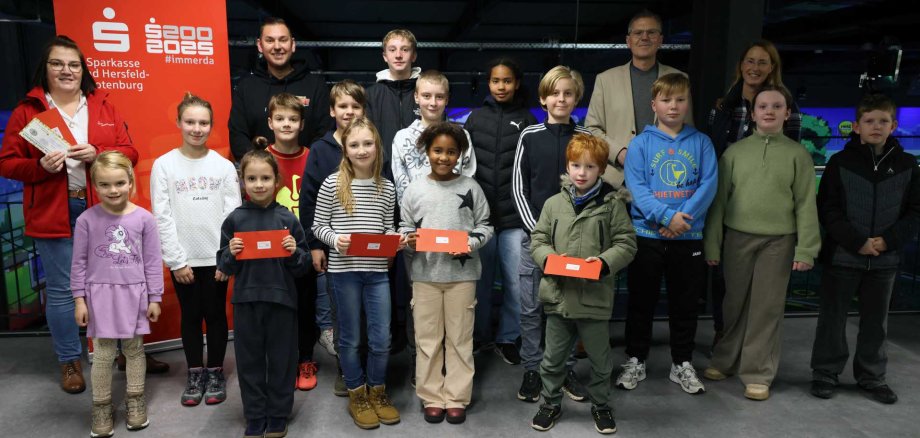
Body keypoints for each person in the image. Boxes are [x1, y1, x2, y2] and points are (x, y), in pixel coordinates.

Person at [0, 35, 139, 394]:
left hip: (103, 207)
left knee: (114, 283)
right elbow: (8, 163)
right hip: (54, 208)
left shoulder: (102, 105)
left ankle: (125, 350)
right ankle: (69, 361)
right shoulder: (27, 112)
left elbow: (130, 151)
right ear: (44, 70)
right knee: (63, 291)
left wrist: (98, 151)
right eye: (57, 64)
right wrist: (40, 167)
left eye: (74, 64)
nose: (66, 70)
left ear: (83, 69)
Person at [702, 86, 821, 401]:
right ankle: (725, 359)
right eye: (763, 106)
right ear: (752, 114)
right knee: (733, 303)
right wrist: (712, 245)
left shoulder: (798, 156)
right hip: (737, 238)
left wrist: (806, 249)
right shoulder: (734, 153)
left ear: (786, 113)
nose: (769, 111)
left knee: (766, 308)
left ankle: (757, 373)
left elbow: (806, 206)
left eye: (777, 106)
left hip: (779, 242)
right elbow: (719, 205)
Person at [809, 93, 919, 405]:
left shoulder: (907, 165)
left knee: (875, 322)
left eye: (883, 121)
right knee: (832, 318)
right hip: (843, 256)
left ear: (893, 125)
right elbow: (828, 209)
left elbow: (915, 212)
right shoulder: (839, 163)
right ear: (857, 126)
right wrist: (857, 241)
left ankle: (872, 377)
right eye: (869, 121)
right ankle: (825, 372)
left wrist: (888, 241)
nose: (876, 126)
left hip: (885, 260)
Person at [528, 134, 637, 434]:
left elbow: (626, 244)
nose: (581, 172)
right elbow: (538, 239)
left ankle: (601, 405)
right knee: (552, 359)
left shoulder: (612, 204)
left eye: (590, 167)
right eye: (576, 165)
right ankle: (550, 402)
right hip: (559, 296)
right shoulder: (553, 204)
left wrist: (603, 264)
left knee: (601, 361)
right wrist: (549, 259)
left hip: (594, 298)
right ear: (567, 166)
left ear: (601, 169)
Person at [617, 73, 717, 394]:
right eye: (666, 100)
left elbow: (708, 185)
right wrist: (665, 217)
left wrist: (680, 220)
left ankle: (682, 363)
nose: (673, 106)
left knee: (685, 303)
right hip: (647, 234)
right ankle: (635, 359)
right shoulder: (641, 144)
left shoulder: (701, 142)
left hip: (687, 236)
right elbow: (637, 187)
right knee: (641, 301)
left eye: (680, 100)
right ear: (654, 105)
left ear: (688, 103)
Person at [705, 40, 804, 348]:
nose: (755, 67)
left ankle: (754, 344)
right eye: (750, 61)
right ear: (741, 66)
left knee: (763, 289)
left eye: (763, 62)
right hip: (727, 202)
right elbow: (712, 152)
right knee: (724, 280)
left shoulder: (787, 108)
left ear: (772, 68)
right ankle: (725, 335)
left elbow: (790, 158)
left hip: (767, 208)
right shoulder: (723, 106)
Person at [151, 93, 241, 406]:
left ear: (211, 125)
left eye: (203, 122)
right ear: (179, 123)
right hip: (184, 258)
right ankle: (194, 372)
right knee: (191, 316)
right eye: (190, 122)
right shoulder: (164, 166)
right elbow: (161, 216)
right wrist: (176, 261)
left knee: (216, 314)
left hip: (215, 258)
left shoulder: (224, 167)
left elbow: (234, 217)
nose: (197, 128)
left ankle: (215, 371)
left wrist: (226, 258)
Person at [400, 122, 493, 425]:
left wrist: (469, 243)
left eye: (451, 152)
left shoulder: (471, 187)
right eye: (438, 151)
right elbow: (403, 229)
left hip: (462, 278)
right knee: (427, 339)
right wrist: (408, 241)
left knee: (459, 338)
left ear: (460, 154)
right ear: (427, 152)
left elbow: (486, 226)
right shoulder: (414, 189)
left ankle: (456, 397)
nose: (444, 157)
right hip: (425, 276)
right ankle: (431, 396)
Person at [312, 117, 400, 429]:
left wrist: (395, 240)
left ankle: (378, 391)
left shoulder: (386, 187)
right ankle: (357, 393)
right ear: (345, 150)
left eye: (367, 143)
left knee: (381, 337)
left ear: (377, 147)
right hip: (343, 273)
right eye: (354, 145)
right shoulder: (332, 183)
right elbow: (318, 225)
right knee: (349, 339)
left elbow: (388, 226)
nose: (362, 150)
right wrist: (335, 239)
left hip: (377, 274)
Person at [512, 65, 591, 403]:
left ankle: (565, 368)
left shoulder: (586, 138)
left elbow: (593, 187)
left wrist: (574, 234)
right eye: (555, 93)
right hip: (535, 240)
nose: (561, 98)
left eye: (568, 93)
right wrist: (539, 233)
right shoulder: (529, 136)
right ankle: (532, 368)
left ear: (576, 98)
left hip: (574, 242)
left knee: (567, 307)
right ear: (543, 98)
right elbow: (518, 187)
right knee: (531, 308)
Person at [217, 149, 310, 438]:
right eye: (252, 178)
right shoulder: (234, 220)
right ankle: (255, 414)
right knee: (250, 361)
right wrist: (230, 255)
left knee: (282, 360)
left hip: (282, 301)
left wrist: (295, 252)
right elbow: (222, 265)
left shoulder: (287, 220)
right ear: (242, 181)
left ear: (277, 180)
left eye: (266, 178)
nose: (259, 184)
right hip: (246, 302)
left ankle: (278, 414)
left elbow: (303, 265)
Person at [71, 151, 163, 437]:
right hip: (99, 297)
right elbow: (79, 263)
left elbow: (151, 261)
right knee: (103, 354)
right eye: (105, 185)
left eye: (120, 183)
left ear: (131, 182)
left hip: (134, 295)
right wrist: (79, 299)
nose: (114, 190)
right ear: (95, 186)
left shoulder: (145, 219)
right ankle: (101, 406)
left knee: (135, 350)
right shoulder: (86, 220)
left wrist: (155, 297)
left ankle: (135, 401)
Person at [466, 57, 537, 363]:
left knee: (514, 282)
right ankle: (479, 336)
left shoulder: (528, 120)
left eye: (507, 81)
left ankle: (508, 337)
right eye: (496, 80)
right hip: (480, 220)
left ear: (516, 83)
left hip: (513, 219)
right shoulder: (475, 118)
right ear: (489, 83)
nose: (501, 86)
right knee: (478, 282)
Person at [300, 79, 369, 396]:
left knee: (368, 311)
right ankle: (346, 368)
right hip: (335, 248)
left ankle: (367, 366)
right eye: (343, 106)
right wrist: (315, 245)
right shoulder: (320, 150)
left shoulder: (371, 145)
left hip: (369, 251)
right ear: (332, 110)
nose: (349, 111)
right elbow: (310, 200)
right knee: (342, 312)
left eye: (355, 106)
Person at [585, 9, 692, 188]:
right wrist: (620, 153)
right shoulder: (605, 79)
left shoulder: (679, 78)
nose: (645, 37)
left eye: (651, 32)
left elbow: (688, 130)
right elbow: (591, 128)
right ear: (628, 41)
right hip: (617, 182)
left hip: (664, 178)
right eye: (638, 33)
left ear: (661, 40)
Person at [257, 92, 320, 392]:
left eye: (292, 119)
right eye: (280, 119)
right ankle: (281, 360)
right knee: (276, 309)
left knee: (305, 306)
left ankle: (306, 359)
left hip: (304, 247)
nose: (286, 124)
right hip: (270, 250)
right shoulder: (262, 160)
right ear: (270, 122)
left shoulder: (312, 157)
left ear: (302, 123)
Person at [229, 17, 332, 162]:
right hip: (261, 178)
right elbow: (237, 134)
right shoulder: (246, 87)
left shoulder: (316, 85)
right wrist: (260, 167)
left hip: (308, 174)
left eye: (283, 40)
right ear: (260, 45)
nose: (277, 46)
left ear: (293, 44)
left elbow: (325, 131)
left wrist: (307, 164)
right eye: (270, 40)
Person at [392, 69, 476, 201]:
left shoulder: (461, 135)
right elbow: (401, 185)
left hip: (455, 214)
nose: (433, 103)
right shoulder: (402, 138)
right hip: (416, 216)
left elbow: (469, 180)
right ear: (416, 97)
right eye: (426, 96)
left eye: (439, 97)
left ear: (447, 99)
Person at [366, 28, 421, 168]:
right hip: (381, 175)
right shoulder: (370, 95)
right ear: (385, 56)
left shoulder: (426, 92)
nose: (398, 55)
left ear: (414, 55)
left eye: (405, 49)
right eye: (392, 50)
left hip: (421, 175)